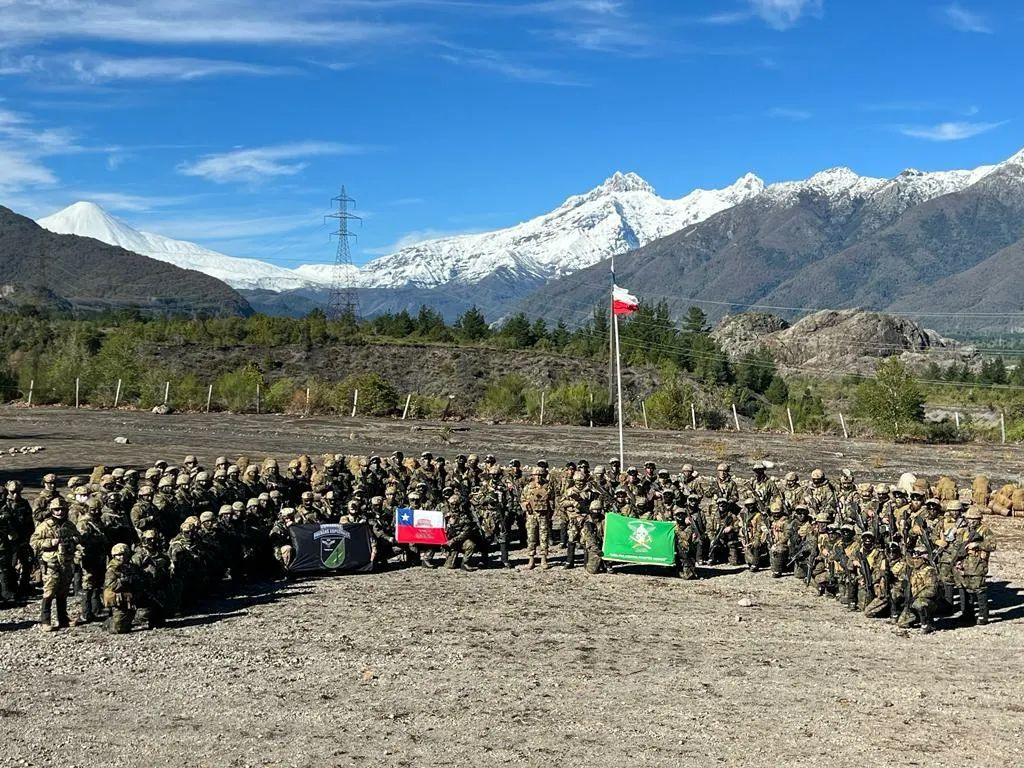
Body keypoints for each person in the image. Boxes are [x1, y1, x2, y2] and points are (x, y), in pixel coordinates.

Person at [30, 497, 80, 631]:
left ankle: (63, 618)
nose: (60, 512)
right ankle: (45, 620)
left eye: (62, 509)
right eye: (56, 509)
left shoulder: (69, 525)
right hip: (51, 563)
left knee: (63, 591)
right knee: (49, 591)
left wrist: (75, 540)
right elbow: (34, 542)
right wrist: (49, 543)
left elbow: (78, 537)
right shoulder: (45, 526)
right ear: (52, 511)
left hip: (66, 562)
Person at [954, 505, 996, 625]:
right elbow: (959, 547)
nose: (971, 521)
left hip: (978, 565)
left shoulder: (984, 530)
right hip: (966, 564)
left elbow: (992, 545)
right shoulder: (965, 531)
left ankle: (983, 616)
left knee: (979, 590)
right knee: (967, 590)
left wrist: (978, 545)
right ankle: (968, 615)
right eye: (969, 519)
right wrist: (958, 561)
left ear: (979, 519)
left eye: (974, 519)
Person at [520, 467, 554, 570]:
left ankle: (544, 559)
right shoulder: (528, 488)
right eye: (536, 475)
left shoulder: (547, 487)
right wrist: (526, 505)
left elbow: (552, 501)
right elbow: (522, 500)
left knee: (544, 537)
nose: (538, 477)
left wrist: (550, 513)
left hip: (543, 515)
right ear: (533, 476)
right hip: (531, 516)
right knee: (531, 537)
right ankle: (531, 559)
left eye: (540, 475)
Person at [103, 542, 139, 634]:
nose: (121, 557)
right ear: (114, 556)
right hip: (119, 599)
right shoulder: (112, 569)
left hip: (130, 597)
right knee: (119, 629)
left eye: (124, 554)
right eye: (119, 555)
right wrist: (124, 580)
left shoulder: (131, 566)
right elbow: (111, 585)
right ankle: (108, 624)